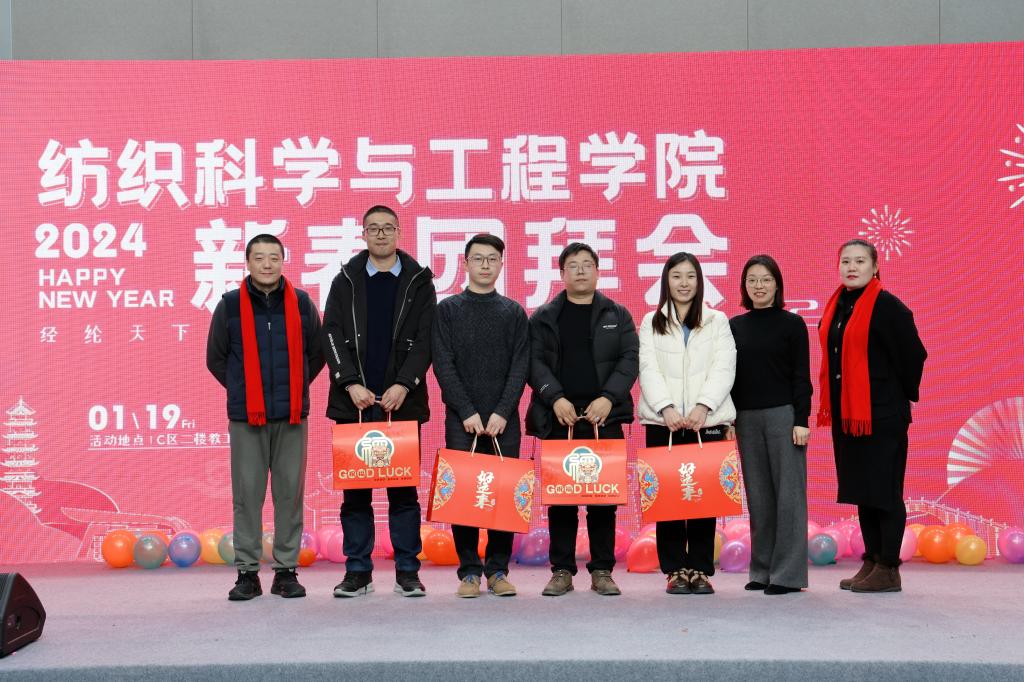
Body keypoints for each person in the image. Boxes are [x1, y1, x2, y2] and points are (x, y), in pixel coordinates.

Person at [322, 205, 436, 598]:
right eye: (374, 228)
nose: (382, 234)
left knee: (403, 493)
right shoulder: (346, 280)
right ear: (364, 234)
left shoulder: (419, 281)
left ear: (399, 232)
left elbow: (427, 339)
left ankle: (408, 570)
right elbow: (331, 332)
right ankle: (358, 571)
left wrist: (405, 384)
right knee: (356, 495)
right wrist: (348, 383)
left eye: (388, 228)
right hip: (354, 402)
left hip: (401, 403)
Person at [206, 233, 324, 601]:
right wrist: (243, 391)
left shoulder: (301, 303)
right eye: (259, 258)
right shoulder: (229, 305)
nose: (267, 264)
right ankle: (247, 573)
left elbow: (317, 354)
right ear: (248, 262)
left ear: (283, 261)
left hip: (291, 417)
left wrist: (293, 389)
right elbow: (216, 358)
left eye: (274, 257)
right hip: (247, 419)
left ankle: (286, 571)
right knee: (247, 496)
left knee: (289, 495)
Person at [526, 242, 638, 597]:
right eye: (573, 265)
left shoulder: (617, 314)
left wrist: (608, 398)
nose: (580, 271)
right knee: (561, 501)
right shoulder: (544, 317)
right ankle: (561, 570)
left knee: (603, 500)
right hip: (560, 418)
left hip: (605, 418)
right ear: (562, 273)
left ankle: (602, 570)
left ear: (598, 271)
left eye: (587, 264)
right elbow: (534, 363)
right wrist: (554, 397)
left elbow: (630, 359)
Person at [820, 239, 926, 593]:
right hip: (849, 416)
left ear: (875, 266)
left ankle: (889, 567)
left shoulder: (888, 307)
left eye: (860, 261)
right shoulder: (838, 305)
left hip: (881, 417)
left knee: (885, 491)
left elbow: (914, 355)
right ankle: (873, 559)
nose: (852, 267)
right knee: (863, 491)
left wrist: (891, 393)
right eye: (845, 261)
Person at [432, 234, 530, 598]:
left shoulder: (513, 312)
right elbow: (443, 364)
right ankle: (470, 572)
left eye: (492, 259)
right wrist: (467, 411)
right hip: (463, 420)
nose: (485, 265)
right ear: (465, 263)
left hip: (504, 421)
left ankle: (498, 570)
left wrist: (503, 411)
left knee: (503, 495)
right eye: (478, 259)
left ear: (502, 264)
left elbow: (520, 366)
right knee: (464, 496)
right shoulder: (448, 310)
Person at [637, 252, 736, 595]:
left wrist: (703, 406)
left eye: (690, 276)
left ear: (699, 281)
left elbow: (724, 367)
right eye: (676, 276)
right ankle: (676, 569)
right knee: (667, 499)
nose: (683, 283)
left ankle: (701, 569)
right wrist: (664, 408)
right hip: (663, 423)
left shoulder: (717, 321)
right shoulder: (651, 321)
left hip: (705, 423)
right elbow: (647, 368)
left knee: (704, 499)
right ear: (666, 281)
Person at [729, 254, 812, 595]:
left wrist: (802, 419)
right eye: (752, 280)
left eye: (765, 279)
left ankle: (788, 575)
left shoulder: (793, 324)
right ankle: (762, 569)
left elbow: (801, 376)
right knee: (759, 497)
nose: (758, 286)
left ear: (777, 284)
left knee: (789, 497)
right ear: (744, 287)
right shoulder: (734, 326)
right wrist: (729, 418)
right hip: (746, 419)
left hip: (784, 417)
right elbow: (730, 377)